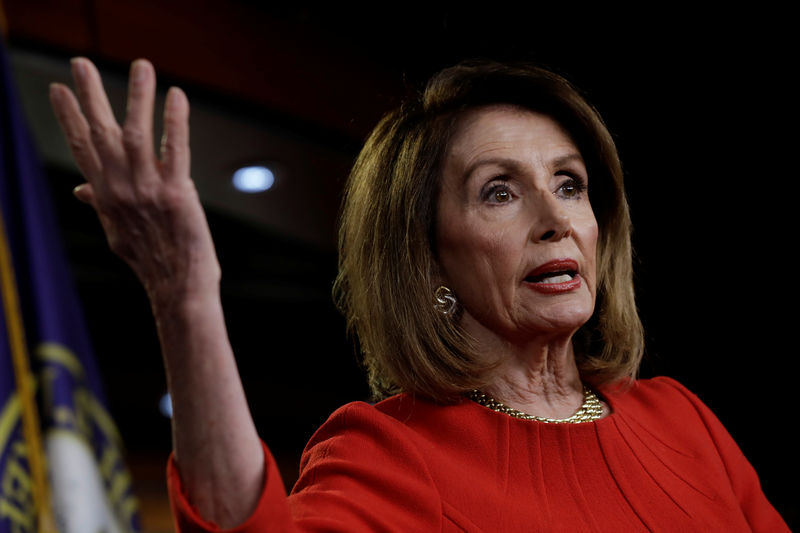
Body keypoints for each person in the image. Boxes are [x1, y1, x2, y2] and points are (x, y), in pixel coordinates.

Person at [48, 57, 789, 532]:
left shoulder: (684, 421)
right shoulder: (391, 455)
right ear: (427, 260)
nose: (555, 218)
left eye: (570, 183)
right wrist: (187, 303)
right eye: (499, 191)